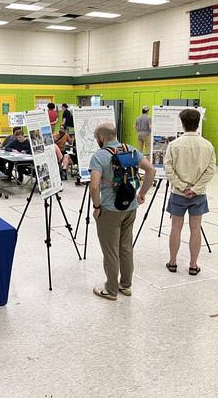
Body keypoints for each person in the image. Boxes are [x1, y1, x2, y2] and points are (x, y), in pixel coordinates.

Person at [90, 123, 155, 300]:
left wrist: (96, 207)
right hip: (130, 207)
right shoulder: (131, 150)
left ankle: (110, 290)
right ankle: (125, 285)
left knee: (110, 251)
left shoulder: (100, 156)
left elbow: (95, 186)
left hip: (110, 209)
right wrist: (141, 194)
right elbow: (151, 170)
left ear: (101, 138)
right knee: (126, 248)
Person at [164, 109, 216, 276]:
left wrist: (181, 186)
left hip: (178, 194)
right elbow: (210, 170)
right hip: (198, 195)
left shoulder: (174, 145)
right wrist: (195, 189)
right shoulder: (208, 145)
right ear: (198, 123)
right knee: (196, 228)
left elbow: (168, 168)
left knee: (175, 227)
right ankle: (193, 265)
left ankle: (172, 262)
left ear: (182, 124)